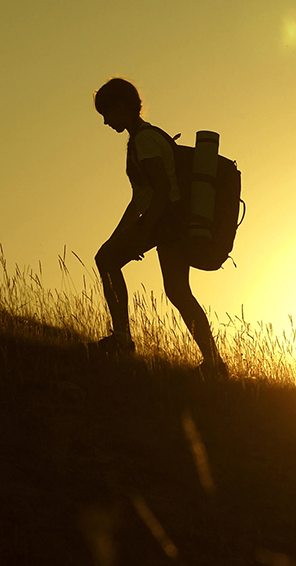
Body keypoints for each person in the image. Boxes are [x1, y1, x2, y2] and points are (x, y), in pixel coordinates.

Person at [91, 77, 227, 378]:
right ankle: (214, 363)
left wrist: (143, 230)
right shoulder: (147, 137)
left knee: (106, 260)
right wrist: (121, 234)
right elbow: (140, 198)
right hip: (172, 220)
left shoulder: (144, 140)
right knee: (178, 291)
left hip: (165, 220)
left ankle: (122, 340)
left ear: (122, 107)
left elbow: (162, 190)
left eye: (107, 113)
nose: (104, 121)